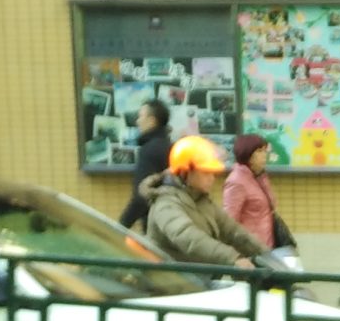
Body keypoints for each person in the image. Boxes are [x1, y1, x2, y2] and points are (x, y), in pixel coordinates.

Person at [143, 135, 286, 278]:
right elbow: (189, 238)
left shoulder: (201, 201)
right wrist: (233, 258)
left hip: (199, 281)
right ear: (185, 172)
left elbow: (233, 231)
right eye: (206, 173)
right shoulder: (166, 203)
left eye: (213, 173)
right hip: (172, 284)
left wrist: (269, 256)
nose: (212, 178)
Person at [222, 133, 299, 261]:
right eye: (259, 151)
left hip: (268, 248)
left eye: (264, 150)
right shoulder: (236, 181)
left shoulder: (259, 177)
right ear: (247, 154)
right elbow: (229, 222)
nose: (264, 155)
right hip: (250, 252)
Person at [119, 99, 171, 230]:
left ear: (152, 121)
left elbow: (141, 195)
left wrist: (122, 225)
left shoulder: (149, 150)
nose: (137, 121)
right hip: (174, 220)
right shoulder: (172, 147)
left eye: (140, 116)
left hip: (154, 224)